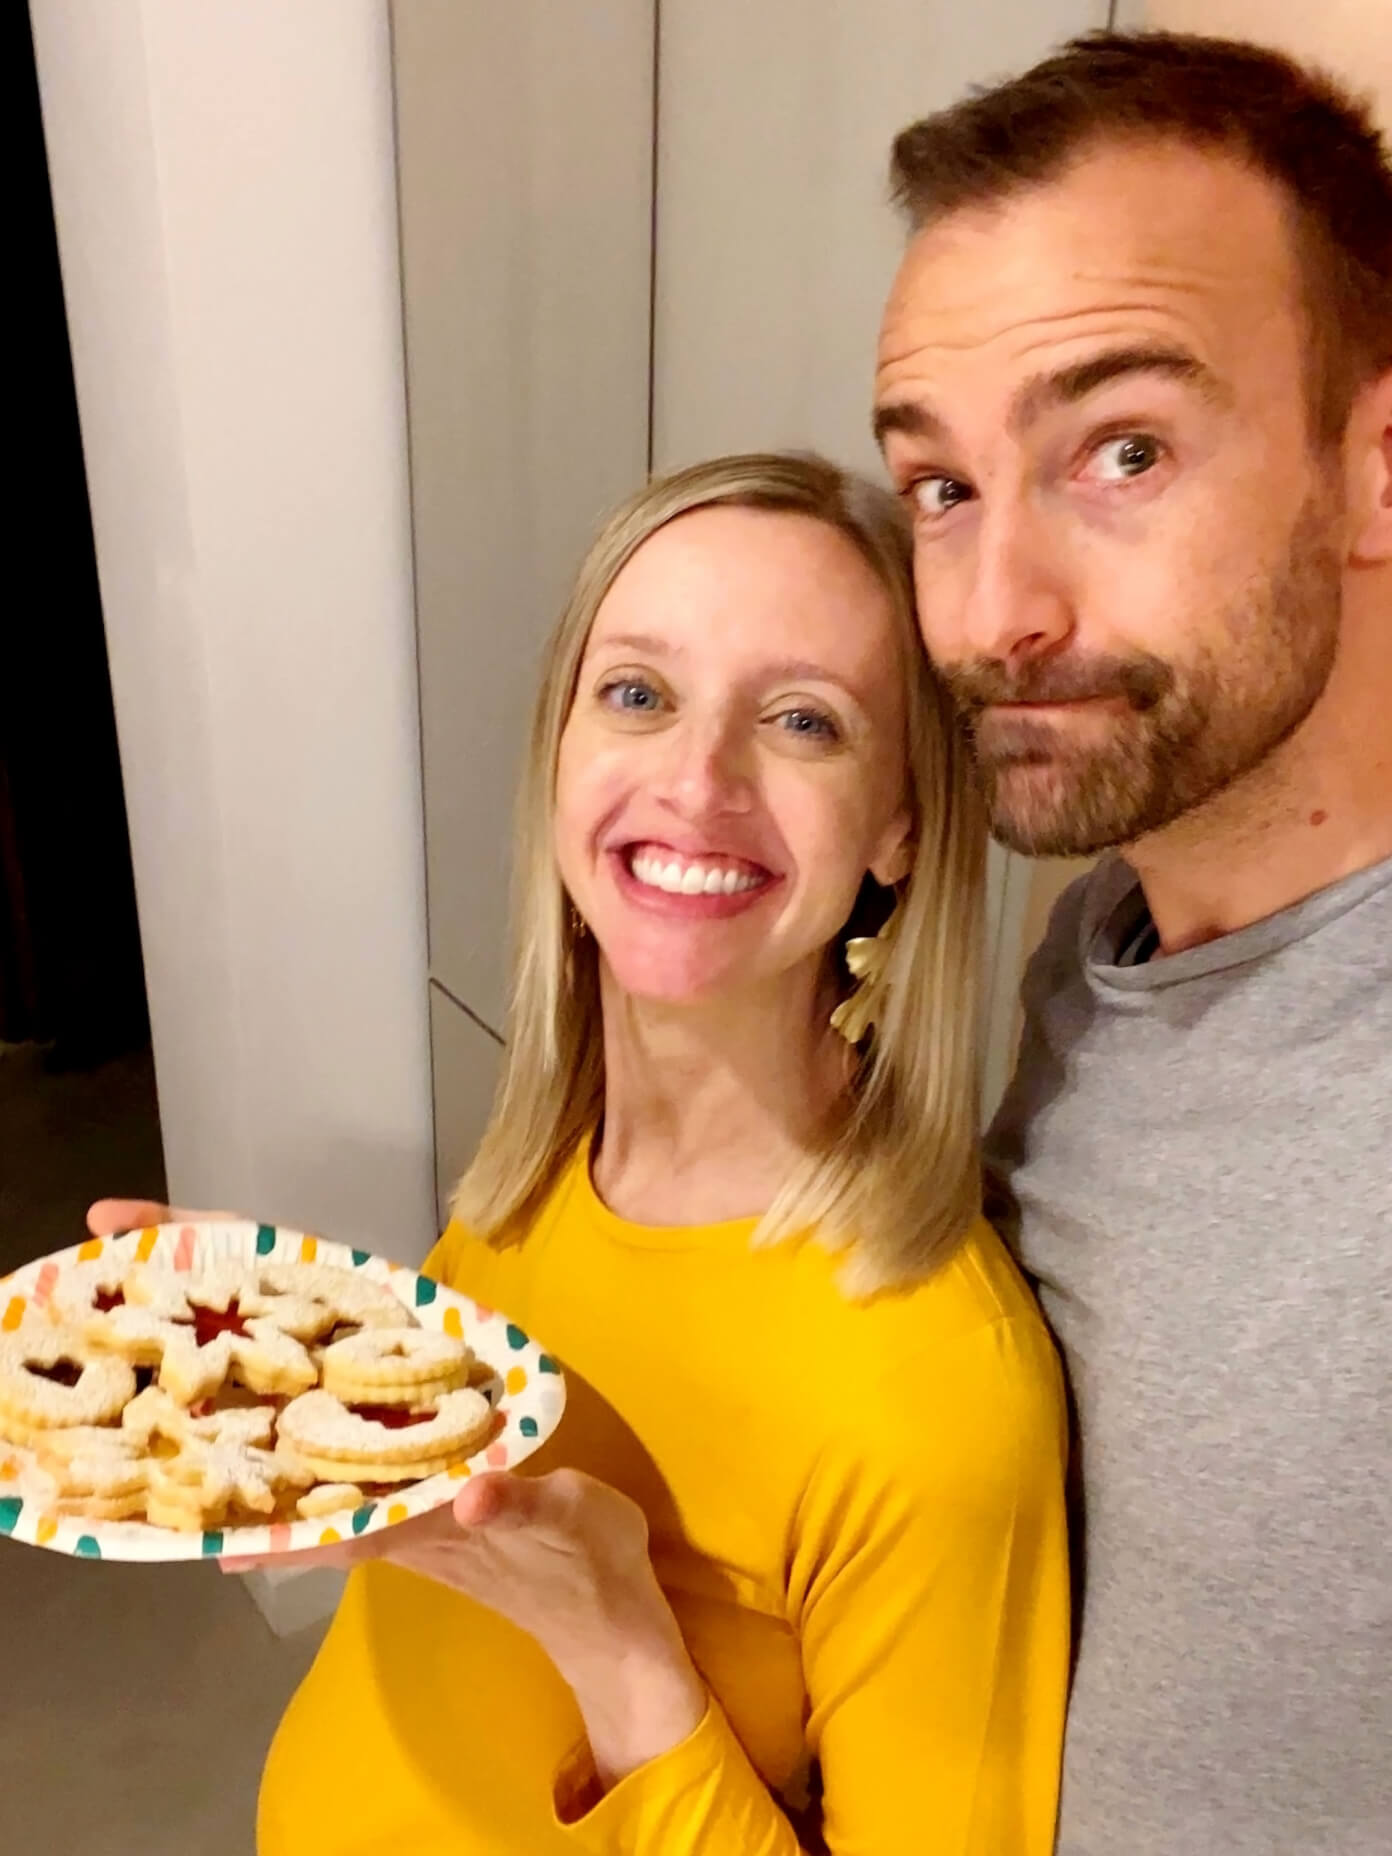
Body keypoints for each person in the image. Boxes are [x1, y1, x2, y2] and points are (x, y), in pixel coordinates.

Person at [94, 454, 1069, 1853]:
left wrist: (620, 1646)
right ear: (562, 745)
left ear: (903, 822)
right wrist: (319, 1376)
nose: (697, 777)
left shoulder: (937, 1398)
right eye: (639, 694)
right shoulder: (552, 1155)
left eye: (803, 721)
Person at [873, 30, 1392, 1855]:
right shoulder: (1102, 943)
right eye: (940, 486)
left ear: (1381, 468)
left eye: (1122, 449)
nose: (993, 613)